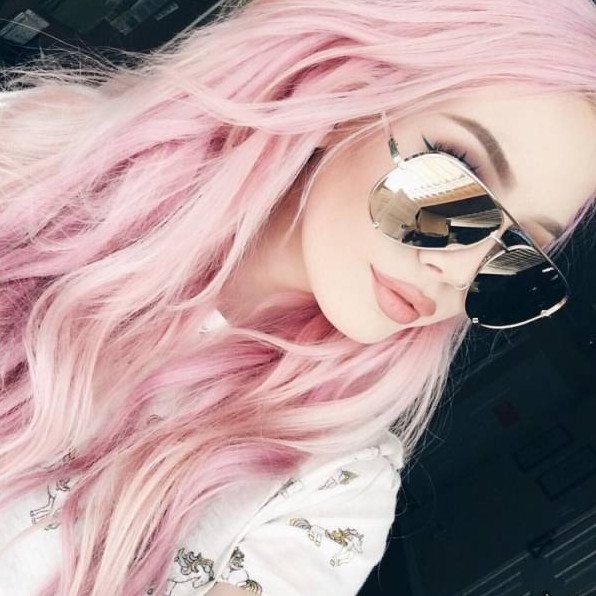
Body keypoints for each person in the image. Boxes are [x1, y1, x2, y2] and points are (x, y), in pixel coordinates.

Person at [0, 0, 594, 594]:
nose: (457, 270)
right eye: (455, 178)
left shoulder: (336, 485)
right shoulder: (36, 163)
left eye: (518, 251)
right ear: (348, 95)